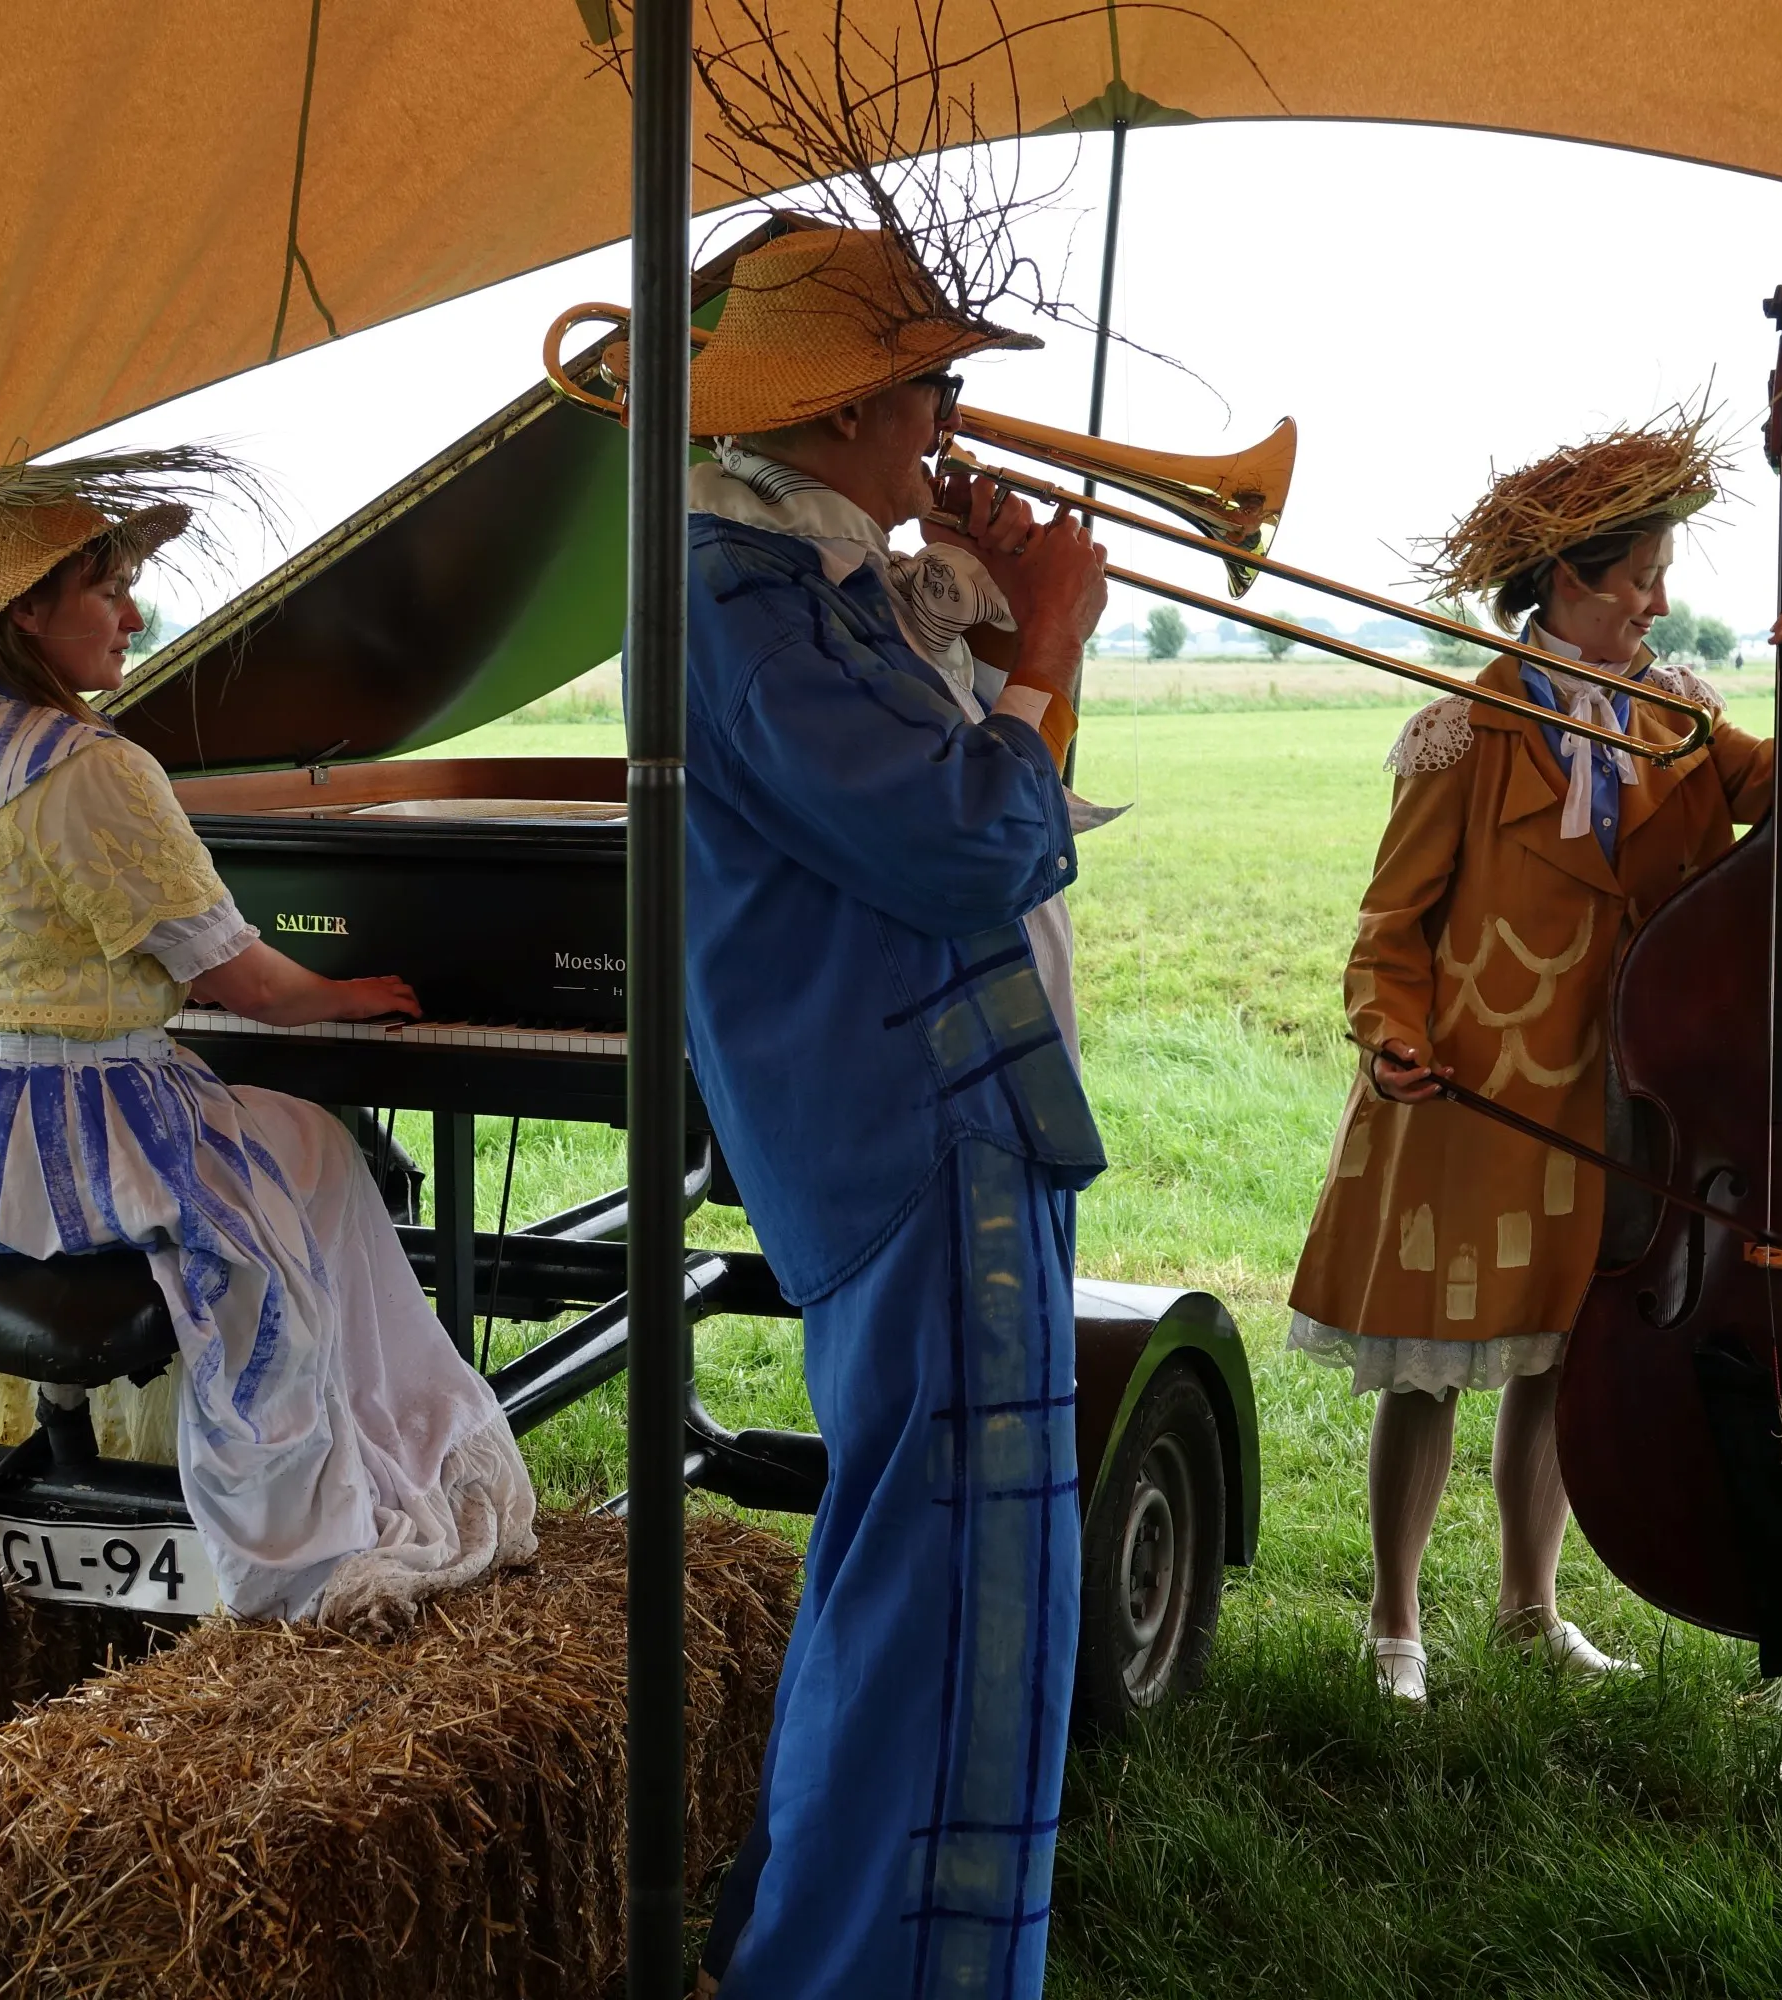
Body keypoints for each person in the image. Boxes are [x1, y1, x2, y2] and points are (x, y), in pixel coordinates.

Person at [0, 464, 535, 1625]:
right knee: (317, 1150)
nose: (134, 614)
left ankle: (144, 1449)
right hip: (68, 1145)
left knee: (284, 1146)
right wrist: (348, 992)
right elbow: (242, 982)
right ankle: (313, 1488)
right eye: (108, 591)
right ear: (28, 612)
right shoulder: (92, 766)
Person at [1285, 414, 1782, 1699]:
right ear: (1569, 577)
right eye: (1640, 579)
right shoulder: (1461, 732)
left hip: (1628, 1098)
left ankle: (1530, 1606)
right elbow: (1390, 926)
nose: (1659, 604)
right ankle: (1395, 1622)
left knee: (1567, 1349)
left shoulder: (1679, 714)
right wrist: (1392, 1035)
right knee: (1436, 1364)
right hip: (1478, 1096)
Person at [678, 220, 1109, 2000]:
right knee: (942, 1596)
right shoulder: (743, 593)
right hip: (914, 1123)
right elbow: (963, 843)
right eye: (930, 389)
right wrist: (1048, 639)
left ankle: (843, 1953)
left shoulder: (813, 574)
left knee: (944, 1578)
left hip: (943, 1107)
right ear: (851, 408)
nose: (949, 423)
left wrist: (1001, 631)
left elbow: (982, 796)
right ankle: (857, 1972)